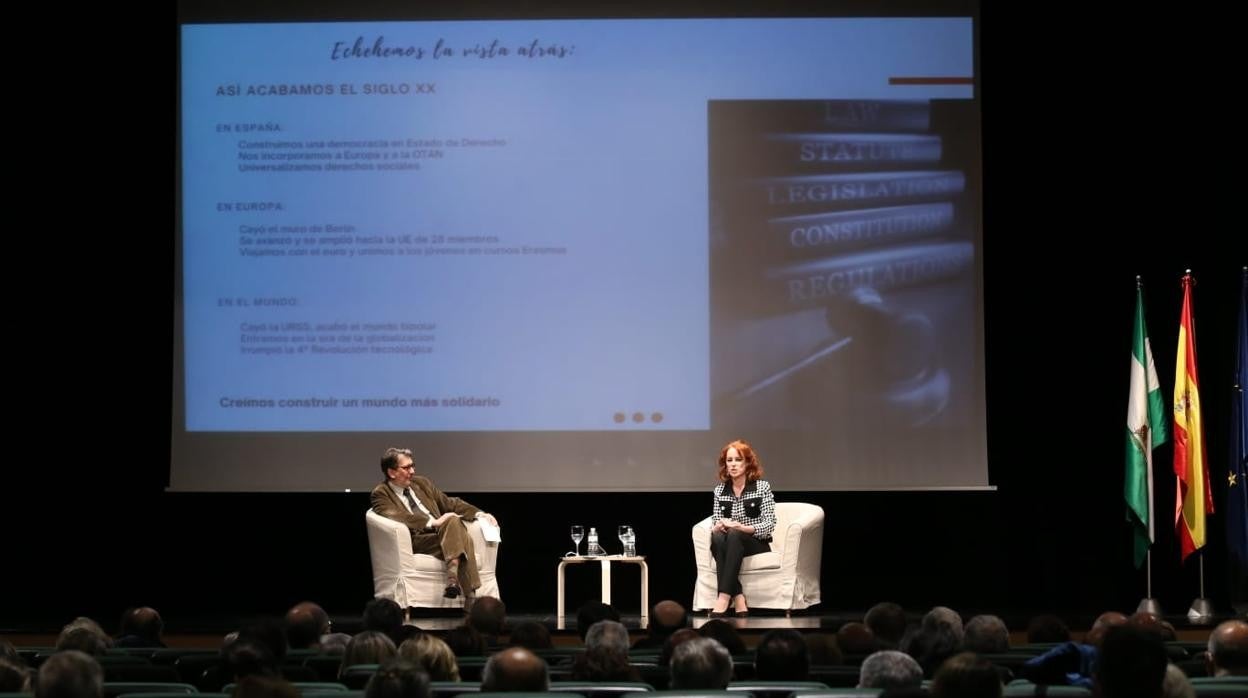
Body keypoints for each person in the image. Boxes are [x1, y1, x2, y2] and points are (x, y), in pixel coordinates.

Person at [371, 447, 499, 600]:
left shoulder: (421, 483)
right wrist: (432, 522)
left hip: (445, 534)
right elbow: (398, 515)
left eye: (413, 466)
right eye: (406, 468)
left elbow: (448, 502)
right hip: (418, 539)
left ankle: (453, 582)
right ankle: (471, 599)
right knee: (462, 536)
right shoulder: (381, 493)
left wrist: (480, 513)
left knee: (452, 521)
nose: (412, 471)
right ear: (391, 472)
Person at [707, 439, 775, 617]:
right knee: (717, 538)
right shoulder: (720, 490)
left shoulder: (761, 487)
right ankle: (738, 596)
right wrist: (718, 526)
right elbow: (716, 519)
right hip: (729, 542)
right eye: (729, 460)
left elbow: (769, 524)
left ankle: (723, 597)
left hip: (755, 543)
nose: (733, 465)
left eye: (738, 460)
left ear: (747, 463)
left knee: (735, 534)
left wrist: (741, 527)